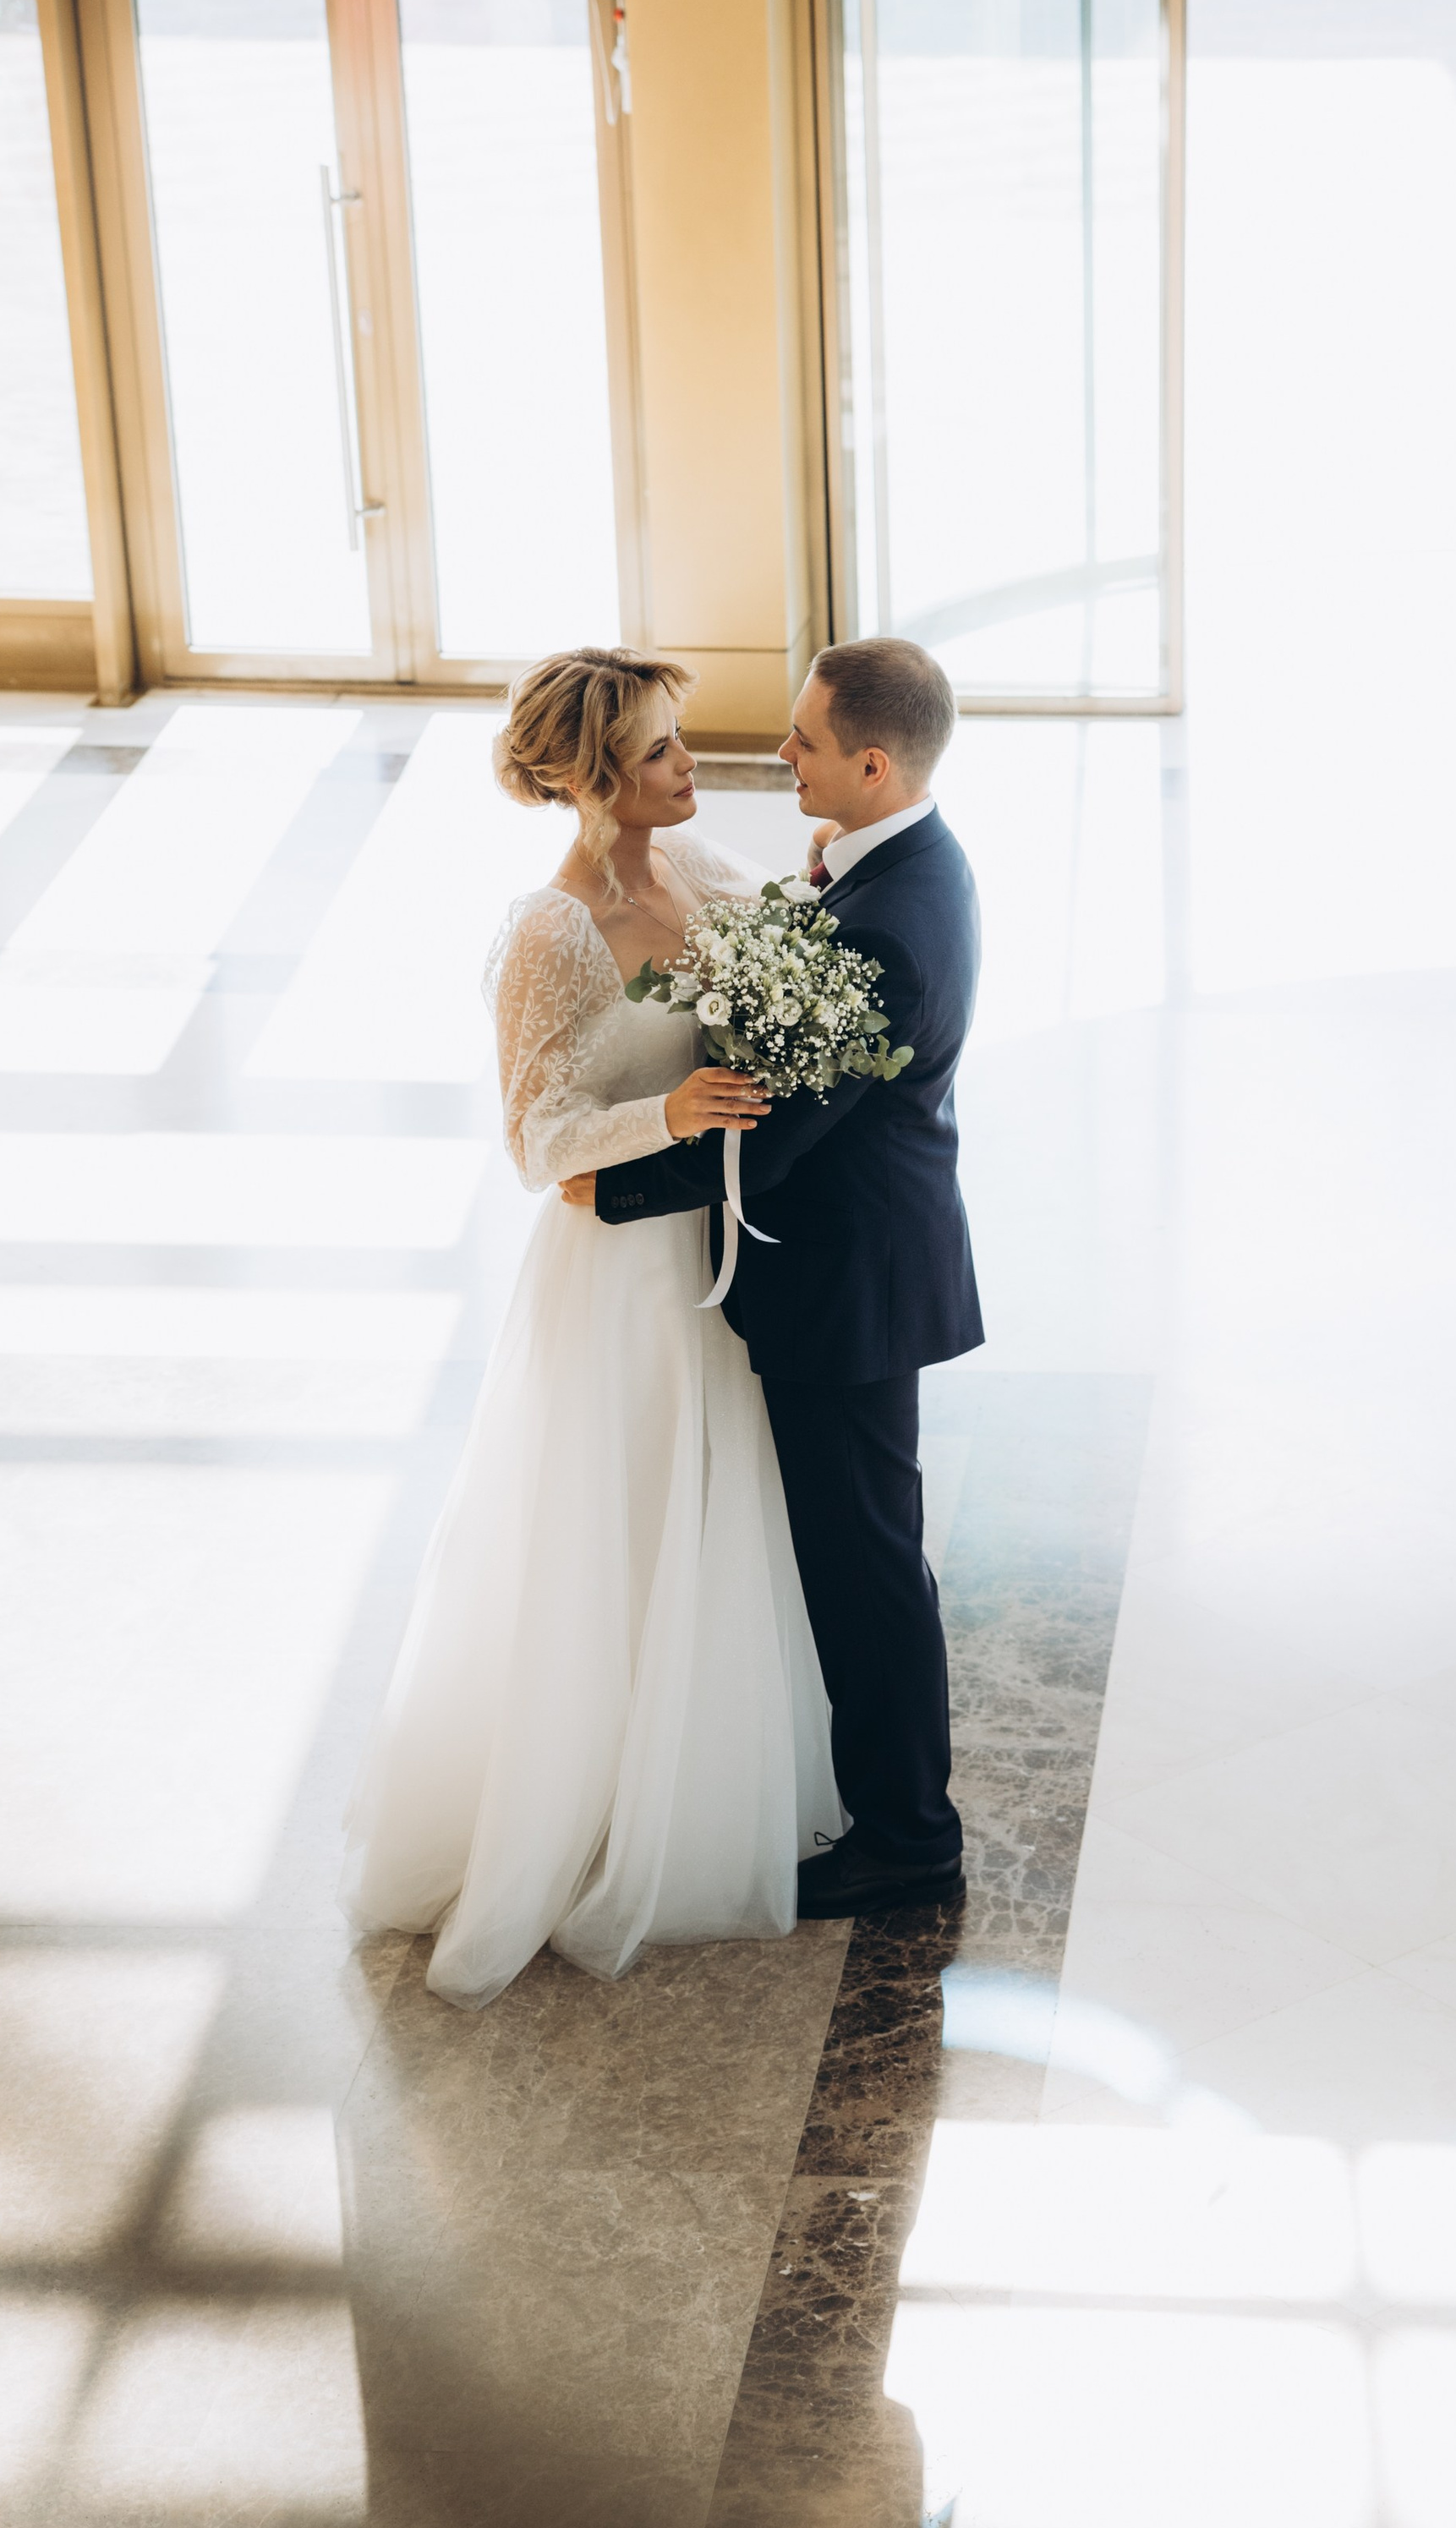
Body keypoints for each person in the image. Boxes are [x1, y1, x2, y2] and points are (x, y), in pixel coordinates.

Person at [342, 648, 838, 2009]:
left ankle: (691, 1787)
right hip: (612, 1276)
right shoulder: (550, 934)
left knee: (707, 1518)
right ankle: (578, 1809)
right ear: (597, 777)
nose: (692, 767)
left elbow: (792, 959)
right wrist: (670, 1116)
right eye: (667, 751)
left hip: (709, 1256)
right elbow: (534, 1144)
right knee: (602, 1530)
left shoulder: (702, 873)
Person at [559, 635, 982, 1921]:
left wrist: (606, 1183)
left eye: (800, 740)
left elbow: (780, 1128)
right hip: (864, 1272)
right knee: (865, 1559)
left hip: (848, 1293)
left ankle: (908, 1834)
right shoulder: (892, 866)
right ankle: (890, 1804)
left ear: (869, 758)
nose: (775, 753)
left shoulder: (890, 928)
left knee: (866, 1570)